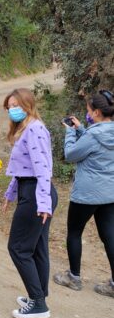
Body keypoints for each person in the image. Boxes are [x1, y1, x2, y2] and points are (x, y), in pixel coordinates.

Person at [3, 88, 58, 318]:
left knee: (18, 248)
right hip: (32, 190)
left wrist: (43, 203)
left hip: (37, 194)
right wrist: (10, 194)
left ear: (27, 105)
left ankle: (38, 303)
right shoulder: (26, 128)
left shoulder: (34, 129)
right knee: (37, 248)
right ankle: (39, 297)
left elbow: (42, 168)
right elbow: (22, 169)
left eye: (16, 105)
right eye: (9, 106)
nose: (12, 110)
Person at [53, 90, 114, 298]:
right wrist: (81, 129)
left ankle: (74, 277)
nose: (87, 113)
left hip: (87, 194)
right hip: (109, 192)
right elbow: (96, 146)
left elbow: (71, 154)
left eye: (88, 110)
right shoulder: (105, 132)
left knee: (74, 232)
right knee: (109, 235)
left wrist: (71, 132)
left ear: (96, 112)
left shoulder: (93, 135)